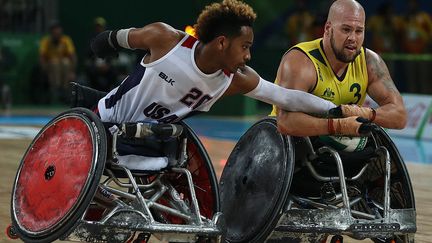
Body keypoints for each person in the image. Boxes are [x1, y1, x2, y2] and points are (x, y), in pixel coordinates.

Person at [90, 0, 343, 125]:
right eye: (244, 47)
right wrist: (108, 41)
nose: (248, 56)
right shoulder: (167, 40)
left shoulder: (235, 78)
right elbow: (116, 38)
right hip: (104, 122)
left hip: (149, 142)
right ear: (222, 43)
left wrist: (335, 110)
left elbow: (286, 97)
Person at [271, 0, 407, 137]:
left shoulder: (370, 62)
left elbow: (399, 115)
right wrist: (339, 126)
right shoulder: (301, 60)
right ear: (328, 29)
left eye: (359, 31)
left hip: (333, 142)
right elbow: (286, 122)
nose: (353, 38)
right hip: (287, 144)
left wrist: (361, 113)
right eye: (346, 29)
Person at [39, 21, 77, 103]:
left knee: (65, 62)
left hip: (64, 67)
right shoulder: (46, 41)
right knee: (55, 63)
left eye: (58, 29)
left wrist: (72, 72)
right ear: (51, 32)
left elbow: (72, 56)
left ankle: (64, 89)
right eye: (54, 30)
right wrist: (44, 69)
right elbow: (42, 57)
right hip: (51, 67)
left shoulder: (66, 40)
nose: (56, 32)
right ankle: (56, 88)